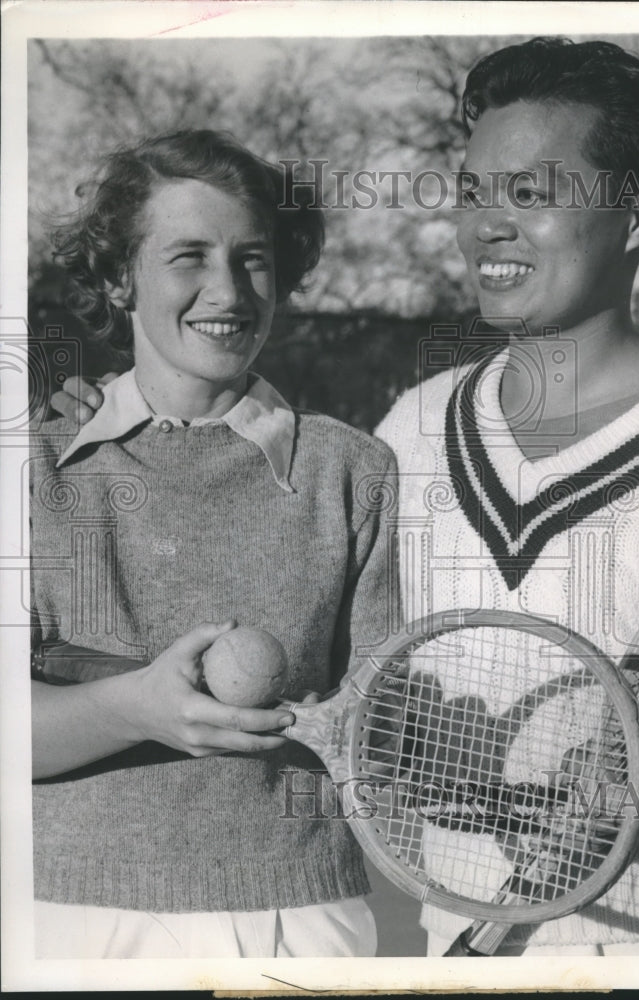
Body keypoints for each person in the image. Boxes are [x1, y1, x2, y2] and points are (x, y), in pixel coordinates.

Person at [53, 38, 639, 958]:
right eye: (472, 193)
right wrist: (111, 429)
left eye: (531, 195)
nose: (484, 227)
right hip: (446, 934)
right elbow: (358, 671)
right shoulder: (407, 431)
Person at [30, 129, 396, 958]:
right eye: (188, 256)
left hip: (300, 921)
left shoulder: (353, 469)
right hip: (71, 918)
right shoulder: (33, 469)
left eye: (253, 258)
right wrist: (132, 709)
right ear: (120, 277)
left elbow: (384, 722)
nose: (227, 291)